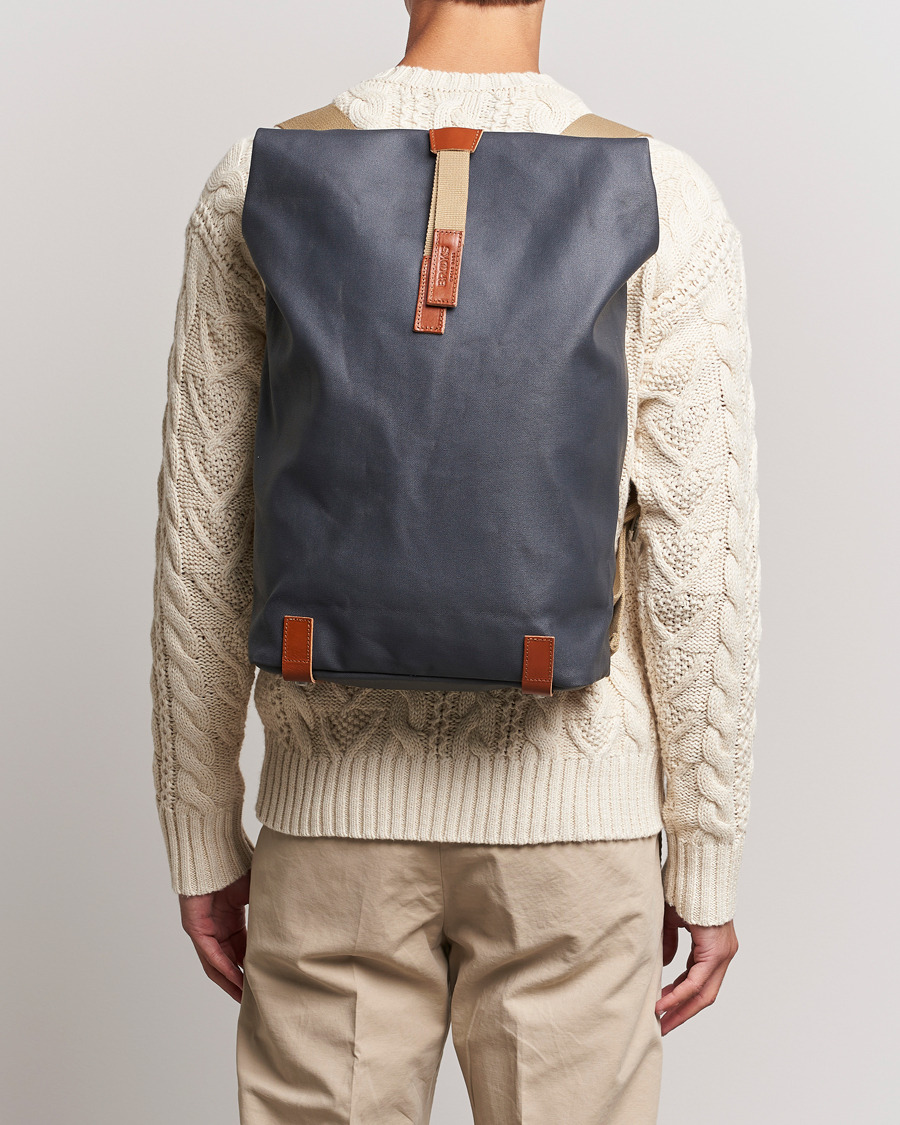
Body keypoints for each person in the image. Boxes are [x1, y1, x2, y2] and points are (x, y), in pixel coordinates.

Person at [151, 1, 759, 1121]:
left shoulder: (257, 178)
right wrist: (704, 855)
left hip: (331, 824)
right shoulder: (663, 192)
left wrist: (202, 836)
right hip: (576, 835)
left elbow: (204, 540)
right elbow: (699, 565)